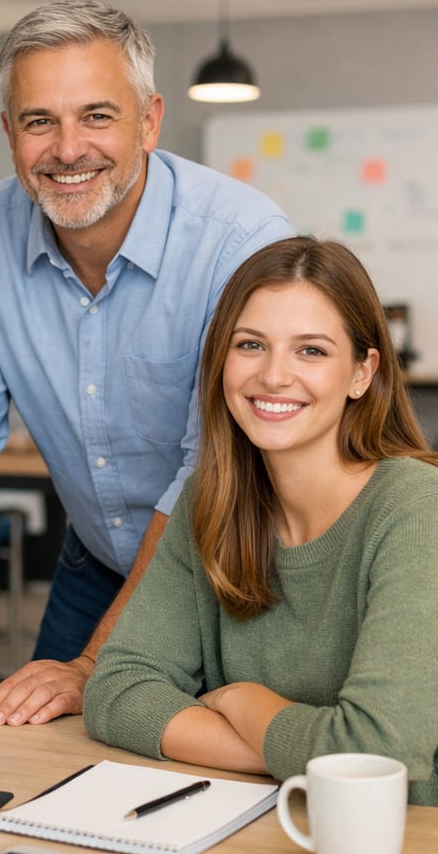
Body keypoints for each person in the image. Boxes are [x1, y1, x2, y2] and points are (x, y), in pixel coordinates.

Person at [0, 0, 294, 725]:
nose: (68, 148)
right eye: (39, 120)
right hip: (99, 559)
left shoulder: (240, 239)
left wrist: (92, 665)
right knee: (32, 764)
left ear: (149, 121)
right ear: (10, 132)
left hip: (240, 568)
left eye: (98, 116)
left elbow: (211, 467)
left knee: (223, 785)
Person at [84, 237, 438, 805]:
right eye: (251, 344)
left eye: (312, 351)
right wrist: (306, 753)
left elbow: (383, 753)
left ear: (362, 373)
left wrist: (244, 701)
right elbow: (116, 692)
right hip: (267, 826)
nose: (274, 376)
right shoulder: (212, 499)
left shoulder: (417, 508)